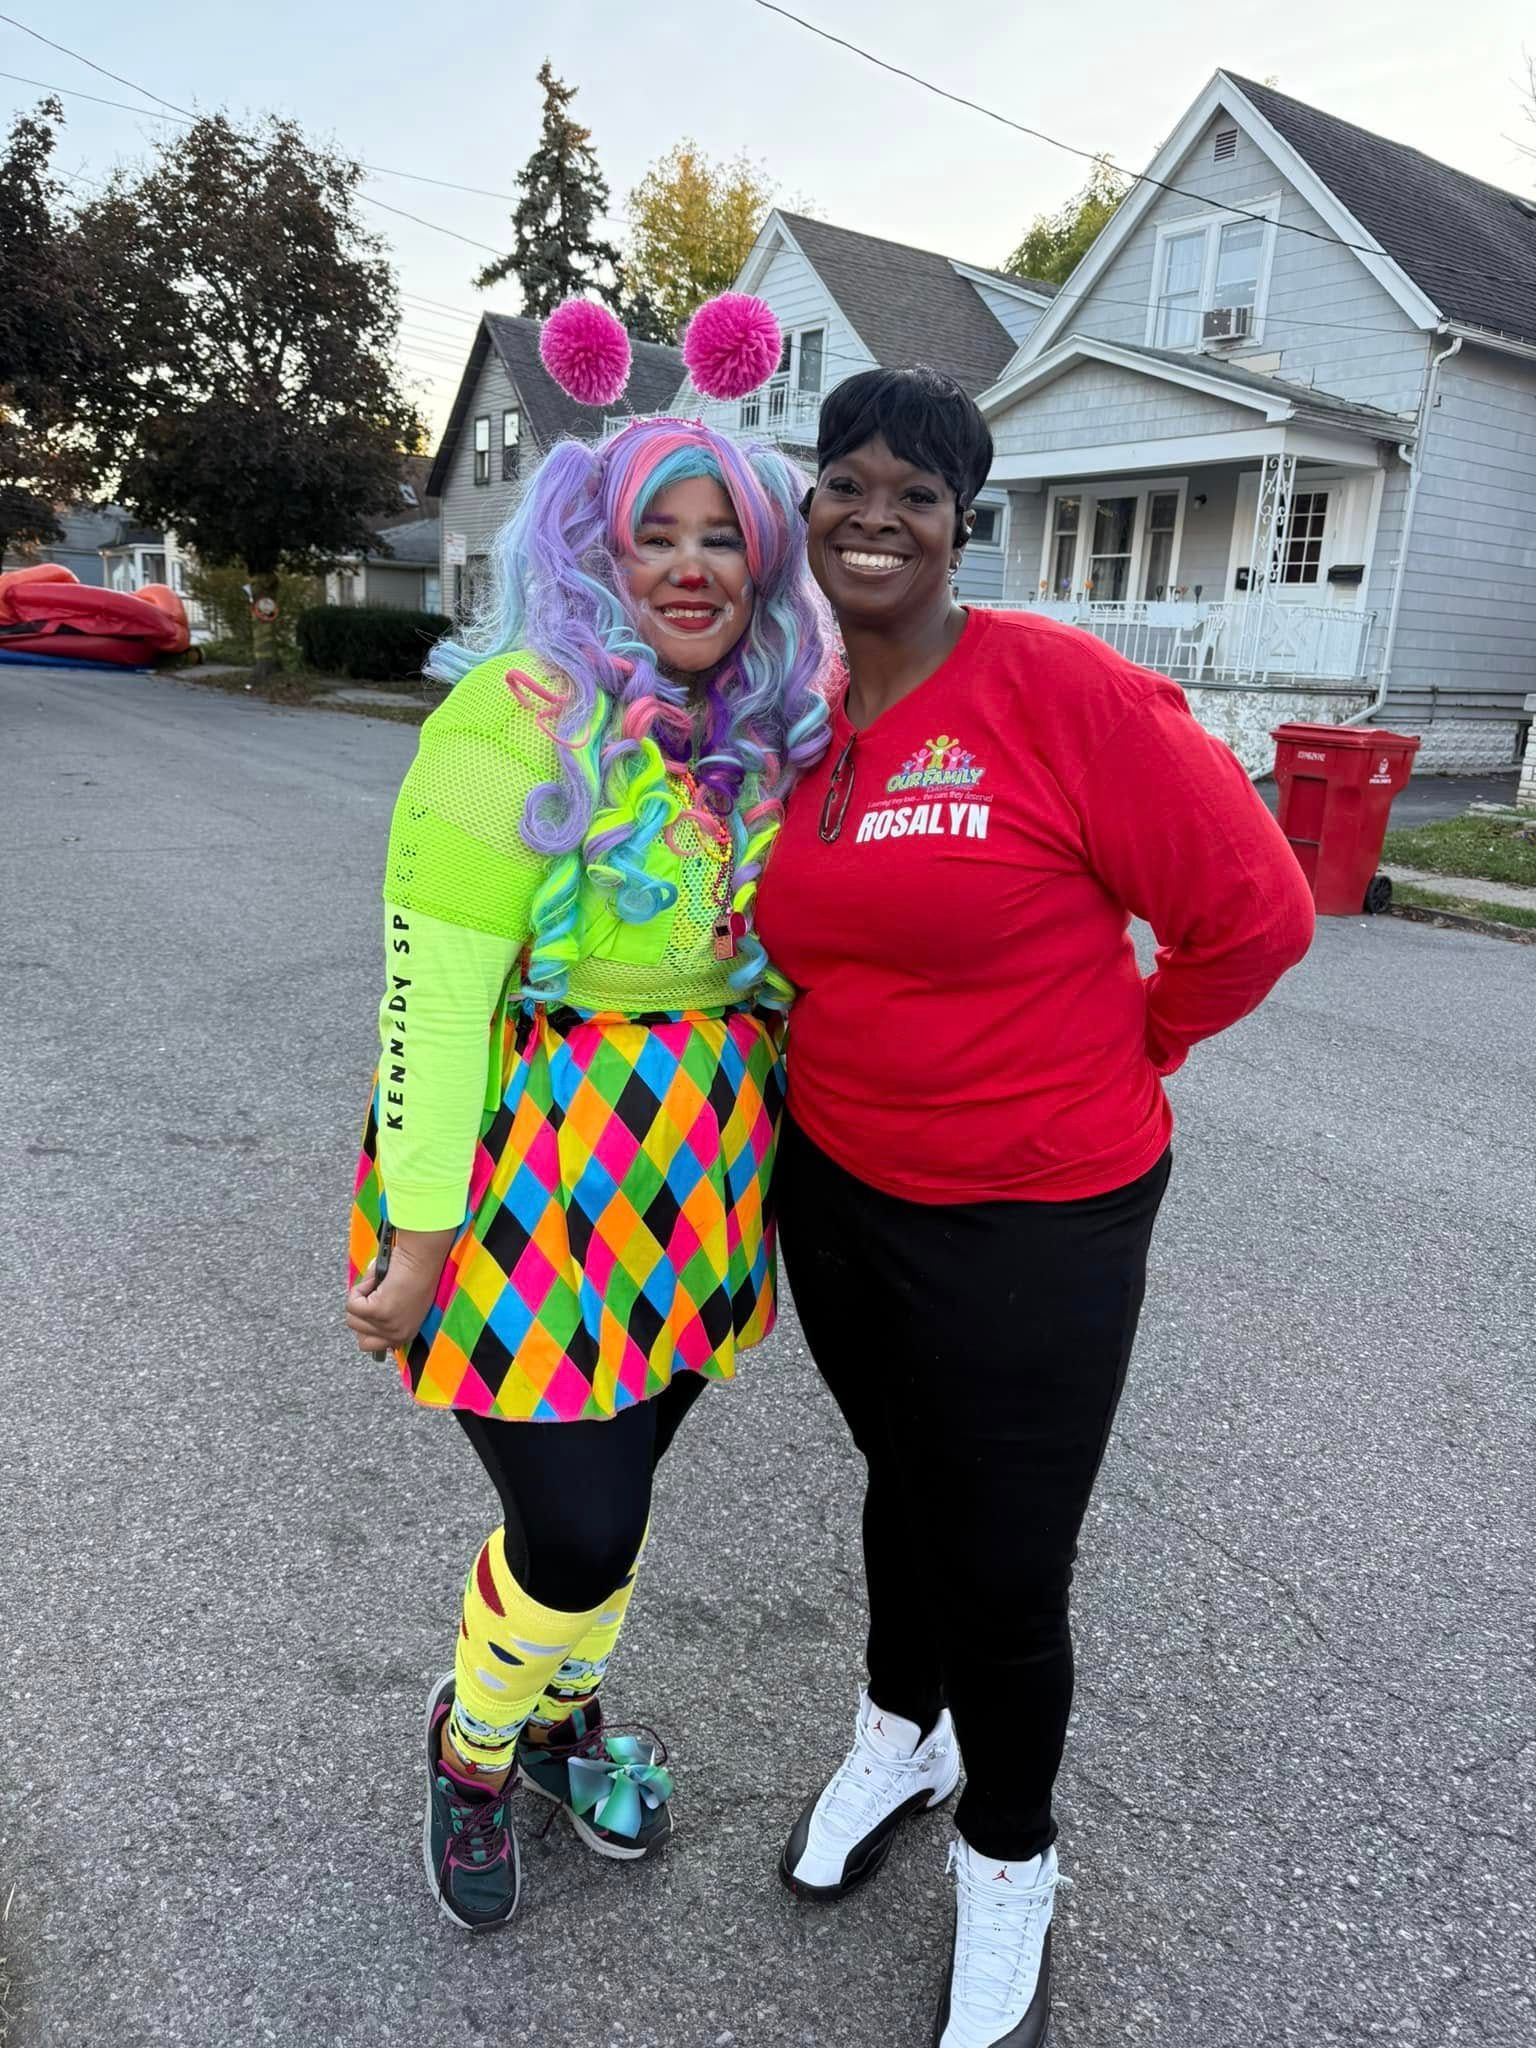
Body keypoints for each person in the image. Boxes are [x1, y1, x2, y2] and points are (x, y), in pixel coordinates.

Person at [756, 367, 1315, 2048]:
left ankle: (1011, 1854)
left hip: (1037, 1210)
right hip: (836, 1180)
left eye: (916, 494)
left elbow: (1258, 914)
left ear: (963, 525)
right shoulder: (802, 715)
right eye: (846, 482)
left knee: (1001, 1562)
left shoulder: (1060, 691)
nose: (874, 516)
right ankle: (901, 1730)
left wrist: (1141, 1038)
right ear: (809, 505)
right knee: (902, 1477)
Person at [345, 405, 831, 1933]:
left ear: (763, 566)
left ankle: (559, 1717)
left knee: (622, 1489)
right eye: (653, 536)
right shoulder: (513, 718)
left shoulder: (762, 730)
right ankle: (475, 1746)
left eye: (723, 540)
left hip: (698, 1190)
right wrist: (419, 1238)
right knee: (578, 1526)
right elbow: (430, 996)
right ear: (591, 550)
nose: (691, 569)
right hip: (528, 1190)